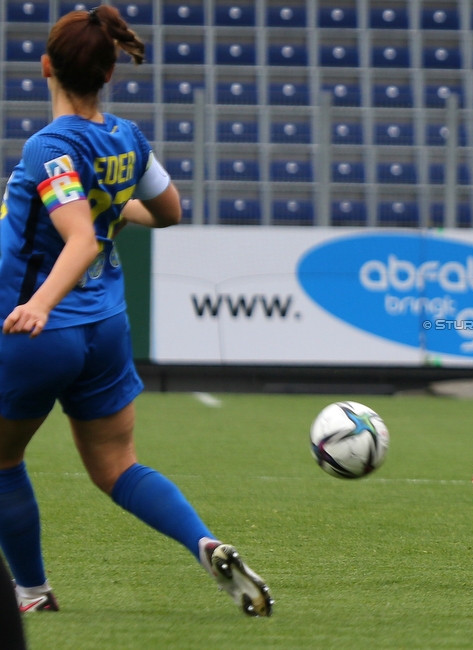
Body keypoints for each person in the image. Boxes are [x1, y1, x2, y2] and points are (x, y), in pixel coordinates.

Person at [0, 6, 272, 616]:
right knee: (119, 466)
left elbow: (75, 238)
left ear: (45, 67)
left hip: (38, 329)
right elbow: (170, 211)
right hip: (105, 326)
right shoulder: (127, 138)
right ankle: (203, 541)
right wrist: (116, 210)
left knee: (3, 461)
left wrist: (40, 304)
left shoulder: (51, 146)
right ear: (107, 75)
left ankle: (33, 593)